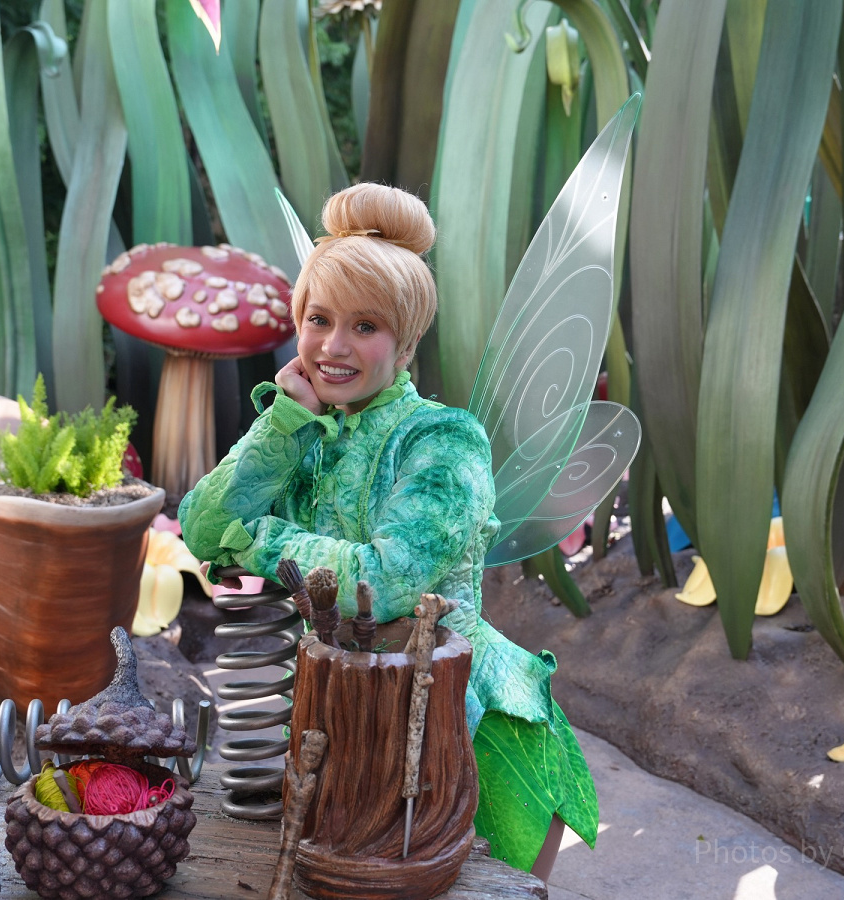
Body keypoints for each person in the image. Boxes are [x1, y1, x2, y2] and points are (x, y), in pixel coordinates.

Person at [179, 183, 597, 877]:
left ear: (405, 346)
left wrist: (259, 541)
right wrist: (284, 422)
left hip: (464, 731)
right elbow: (201, 524)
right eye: (318, 319)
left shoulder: (444, 441)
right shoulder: (303, 429)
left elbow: (385, 580)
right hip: (336, 719)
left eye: (365, 326)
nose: (333, 347)